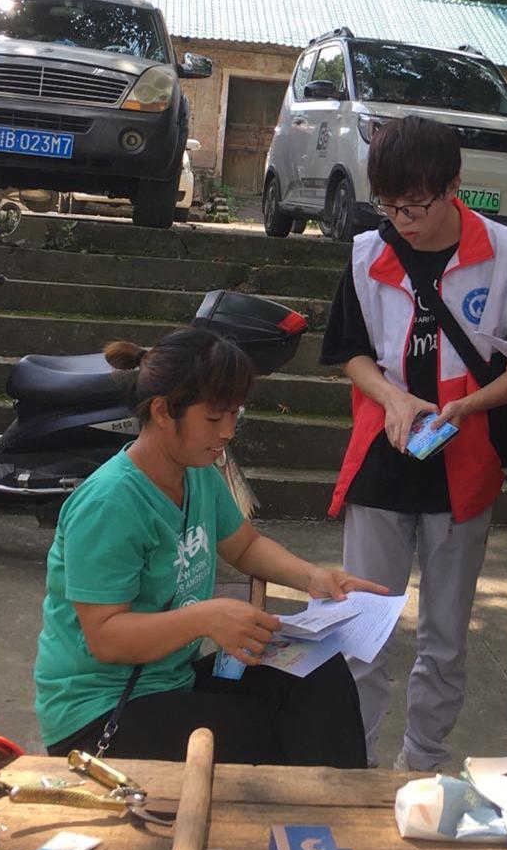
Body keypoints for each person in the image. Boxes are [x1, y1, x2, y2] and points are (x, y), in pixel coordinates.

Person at [33, 327, 382, 765]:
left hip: (171, 680)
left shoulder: (197, 471)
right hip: (100, 713)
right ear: (162, 411)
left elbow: (244, 546)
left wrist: (313, 577)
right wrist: (205, 618)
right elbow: (105, 637)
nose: (228, 432)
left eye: (235, 415)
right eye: (214, 419)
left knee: (318, 672)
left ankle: (340, 799)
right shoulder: (110, 503)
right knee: (274, 736)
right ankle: (326, 801)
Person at [320, 117, 507, 771]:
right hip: (382, 459)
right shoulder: (368, 252)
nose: (402, 221)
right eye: (388, 205)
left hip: (464, 465)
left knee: (444, 638)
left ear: (453, 186)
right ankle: (354, 765)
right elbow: (348, 351)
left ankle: (420, 763)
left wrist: (468, 406)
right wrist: (393, 398)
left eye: (415, 206)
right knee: (362, 629)